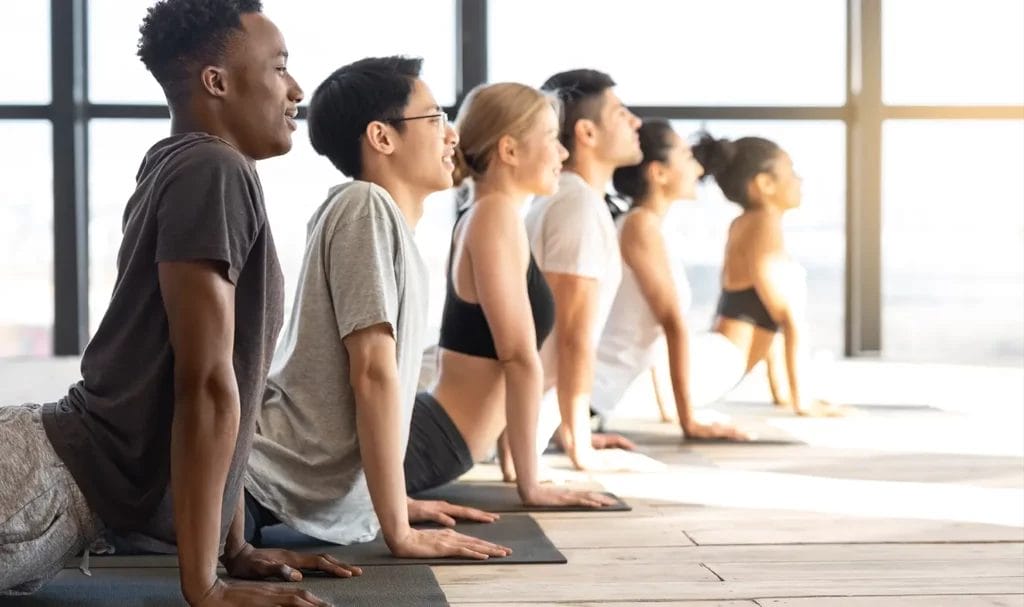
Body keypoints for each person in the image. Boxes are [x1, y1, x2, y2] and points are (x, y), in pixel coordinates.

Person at [1, 1, 361, 605]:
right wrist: (206, 588)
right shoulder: (211, 169)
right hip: (34, 484)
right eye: (279, 68)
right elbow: (204, 384)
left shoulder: (192, 164)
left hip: (48, 479)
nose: (296, 89)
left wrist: (233, 548)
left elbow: (229, 387)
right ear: (216, 82)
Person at [243, 56, 511, 561]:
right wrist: (399, 533)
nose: (451, 136)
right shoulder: (364, 205)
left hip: (267, 491)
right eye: (434, 119)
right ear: (382, 138)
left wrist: (390, 503)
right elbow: (372, 374)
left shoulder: (383, 221)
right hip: (246, 485)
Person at [402, 82, 616, 509]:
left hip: (437, 436)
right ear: (510, 150)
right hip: (430, 441)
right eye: (553, 139)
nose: (563, 154)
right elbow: (517, 358)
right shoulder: (493, 216)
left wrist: (515, 466)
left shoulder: (488, 215)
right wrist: (530, 486)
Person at [591, 120, 750, 439]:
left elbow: (655, 339)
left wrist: (671, 411)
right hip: (594, 398)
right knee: (729, 356)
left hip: (603, 396)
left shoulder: (644, 225)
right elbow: (672, 325)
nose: (698, 166)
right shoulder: (640, 227)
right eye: (686, 156)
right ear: (658, 173)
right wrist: (688, 422)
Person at [525, 69, 644, 471]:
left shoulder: (571, 198)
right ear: (587, 133)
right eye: (620, 113)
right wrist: (580, 447)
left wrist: (569, 432)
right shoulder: (577, 204)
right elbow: (572, 336)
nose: (635, 122)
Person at [689, 131, 844, 417]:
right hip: (716, 367)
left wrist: (783, 394)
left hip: (715, 359)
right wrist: (803, 402)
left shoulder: (743, 223)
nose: (800, 180)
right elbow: (789, 320)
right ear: (765, 184)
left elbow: (768, 324)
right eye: (791, 172)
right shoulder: (764, 223)